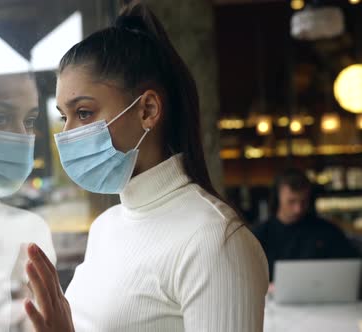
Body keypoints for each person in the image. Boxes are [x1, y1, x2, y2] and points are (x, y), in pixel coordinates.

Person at [21, 2, 269, 331]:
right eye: (63, 117)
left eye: (83, 113)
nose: (66, 135)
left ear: (148, 110)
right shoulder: (105, 228)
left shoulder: (215, 240)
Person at [252, 168, 360, 282]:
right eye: (291, 201)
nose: (298, 209)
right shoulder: (260, 234)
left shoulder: (327, 231)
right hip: (272, 298)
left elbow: (351, 266)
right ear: (277, 199)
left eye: (303, 201)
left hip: (324, 298)